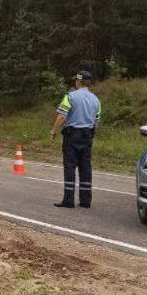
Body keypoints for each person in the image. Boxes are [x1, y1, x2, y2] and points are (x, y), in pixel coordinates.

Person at [50, 70, 101, 209]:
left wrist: (54, 130)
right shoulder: (96, 100)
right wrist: (91, 135)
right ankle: (85, 200)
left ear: (78, 81)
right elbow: (96, 123)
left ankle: (68, 200)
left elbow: (62, 116)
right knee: (85, 168)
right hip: (87, 136)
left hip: (72, 136)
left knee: (70, 167)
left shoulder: (70, 96)